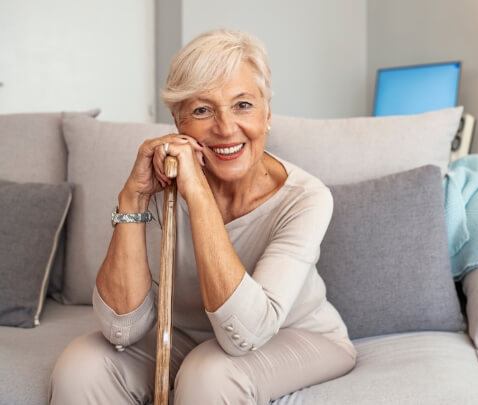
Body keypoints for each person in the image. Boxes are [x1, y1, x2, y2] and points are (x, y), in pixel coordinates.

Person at [49, 28, 357, 404]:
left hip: (294, 336)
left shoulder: (306, 198)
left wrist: (197, 195)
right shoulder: (160, 185)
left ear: (267, 114)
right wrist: (134, 197)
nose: (226, 128)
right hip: (186, 336)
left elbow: (243, 334)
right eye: (202, 110)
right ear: (179, 124)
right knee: (81, 366)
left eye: (243, 105)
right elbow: (121, 329)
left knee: (208, 374)